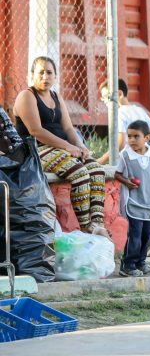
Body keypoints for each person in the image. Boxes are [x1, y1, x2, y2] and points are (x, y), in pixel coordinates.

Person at [13, 56, 110, 240]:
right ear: (32, 75)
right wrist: (68, 147)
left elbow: (68, 128)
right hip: (36, 150)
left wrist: (80, 146)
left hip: (61, 149)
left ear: (55, 76)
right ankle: (87, 227)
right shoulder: (27, 96)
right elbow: (36, 131)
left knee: (97, 170)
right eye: (41, 72)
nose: (45, 76)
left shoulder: (56, 97)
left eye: (49, 72)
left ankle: (98, 224)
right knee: (80, 173)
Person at [99, 78, 150, 256]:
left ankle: (146, 242)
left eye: (106, 98)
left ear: (119, 94)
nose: (104, 102)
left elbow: (120, 143)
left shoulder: (119, 113)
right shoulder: (138, 110)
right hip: (146, 164)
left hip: (131, 166)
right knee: (145, 202)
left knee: (133, 206)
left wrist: (100, 161)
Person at [115, 120, 150, 277]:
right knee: (135, 236)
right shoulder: (125, 156)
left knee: (147, 235)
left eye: (136, 136)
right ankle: (128, 264)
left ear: (147, 138)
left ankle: (140, 262)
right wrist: (126, 182)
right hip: (135, 202)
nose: (131, 140)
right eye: (129, 136)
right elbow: (117, 174)